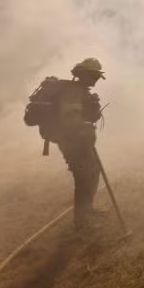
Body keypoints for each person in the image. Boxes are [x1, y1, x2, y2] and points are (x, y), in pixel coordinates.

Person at [24, 58, 105, 232]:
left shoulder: (78, 90)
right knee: (83, 177)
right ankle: (82, 222)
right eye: (94, 75)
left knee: (92, 172)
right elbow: (70, 121)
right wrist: (87, 125)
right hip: (71, 141)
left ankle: (87, 211)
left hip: (76, 140)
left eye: (97, 76)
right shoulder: (73, 92)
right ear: (84, 75)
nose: (96, 79)